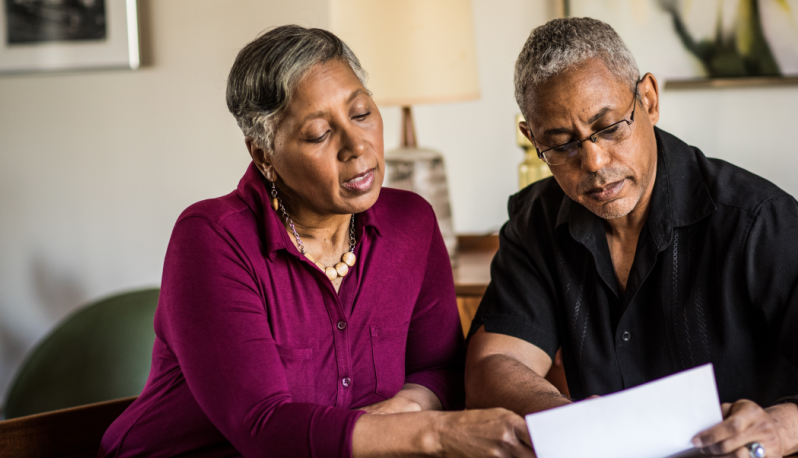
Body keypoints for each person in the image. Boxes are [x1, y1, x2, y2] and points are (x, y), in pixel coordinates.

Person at [465, 17, 798, 458]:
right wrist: (577, 424)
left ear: (648, 98)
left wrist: (783, 427)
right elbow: (493, 365)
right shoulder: (534, 223)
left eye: (609, 127)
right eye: (562, 144)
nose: (595, 162)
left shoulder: (755, 218)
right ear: (531, 138)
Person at [100, 25, 534, 458]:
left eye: (361, 113)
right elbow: (263, 426)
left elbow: (438, 367)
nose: (356, 147)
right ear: (263, 155)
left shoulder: (412, 223)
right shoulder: (211, 237)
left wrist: (405, 410)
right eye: (319, 134)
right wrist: (433, 433)